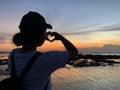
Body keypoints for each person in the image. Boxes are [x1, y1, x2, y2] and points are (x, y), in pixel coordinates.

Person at [8, 11, 78, 90]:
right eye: (44, 31)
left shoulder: (12, 55)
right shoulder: (46, 60)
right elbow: (74, 51)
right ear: (40, 35)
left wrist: (42, 37)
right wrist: (60, 37)